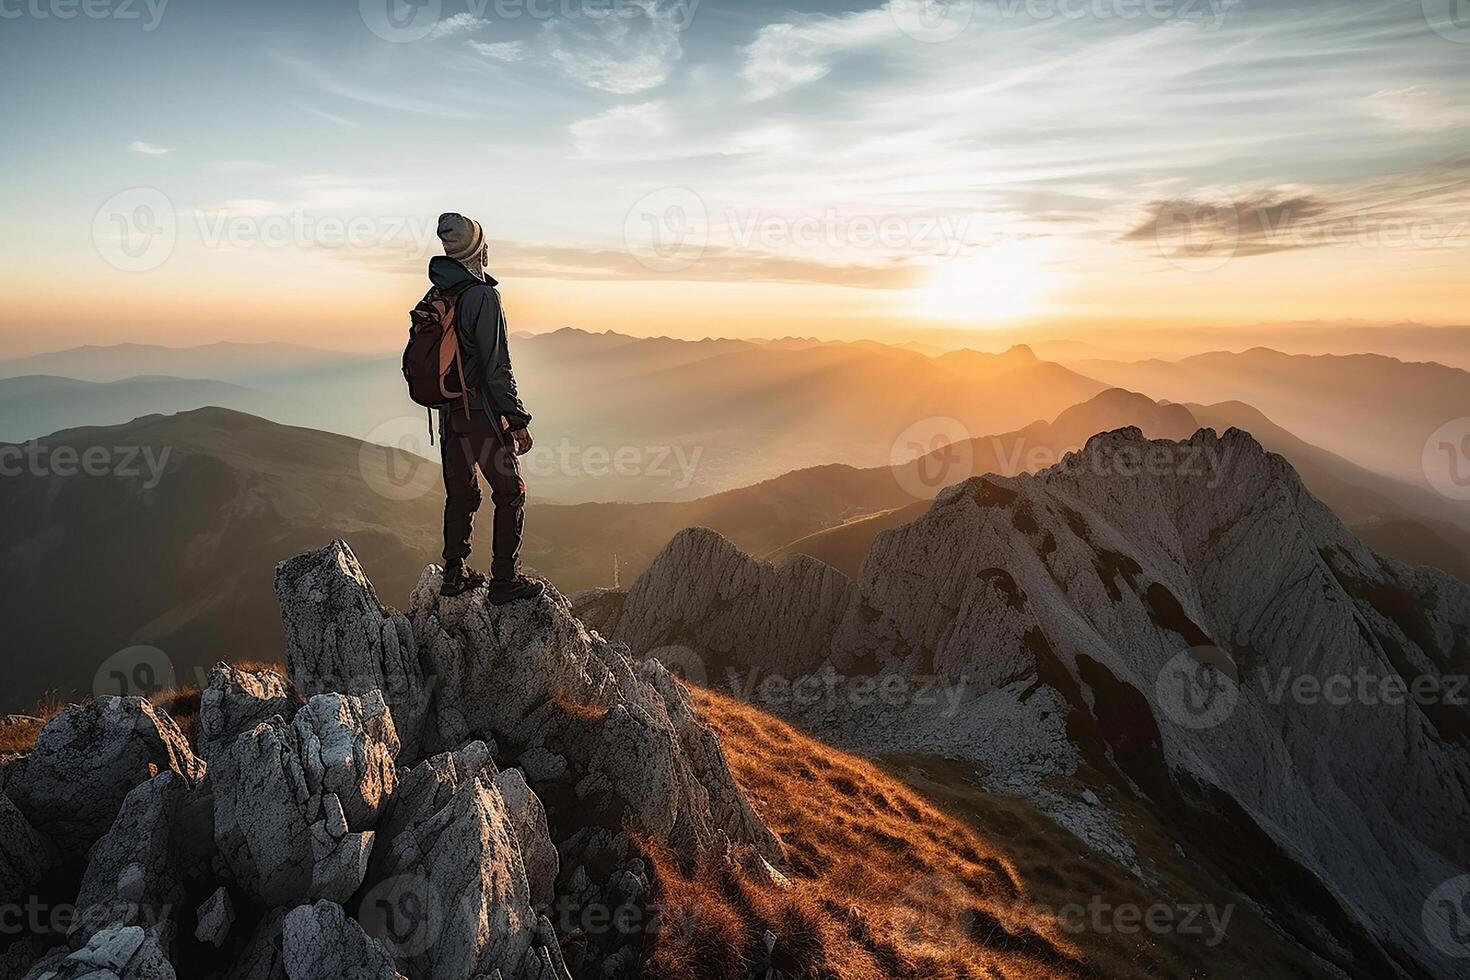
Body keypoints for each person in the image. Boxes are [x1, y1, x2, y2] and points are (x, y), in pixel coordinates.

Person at [430, 212, 544, 605]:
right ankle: (504, 580)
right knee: (510, 491)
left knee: (460, 493)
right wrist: (517, 418)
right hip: (478, 411)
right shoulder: (483, 296)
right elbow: (497, 367)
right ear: (478, 250)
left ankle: (453, 574)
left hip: (448, 413)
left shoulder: (439, 293)